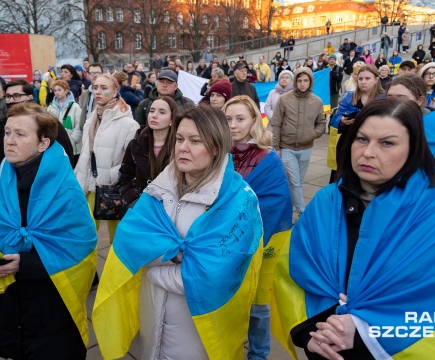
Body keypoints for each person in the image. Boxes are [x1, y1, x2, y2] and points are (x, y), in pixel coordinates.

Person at [271, 97, 435, 360]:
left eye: (387, 143)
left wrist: (367, 332)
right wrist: (311, 334)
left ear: (414, 148)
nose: (368, 152)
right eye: (362, 139)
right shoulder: (326, 202)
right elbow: (293, 274)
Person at [92, 105, 264, 360]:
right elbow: (129, 243)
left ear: (216, 147)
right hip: (152, 316)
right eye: (180, 139)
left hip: (198, 328)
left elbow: (218, 276)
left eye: (195, 141)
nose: (183, 147)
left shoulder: (239, 201)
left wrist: (152, 270)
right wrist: (178, 257)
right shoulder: (158, 190)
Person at [0, 102, 97, 360]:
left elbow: (81, 248)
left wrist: (24, 264)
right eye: (7, 133)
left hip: (52, 300)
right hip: (12, 297)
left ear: (43, 144)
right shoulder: (3, 178)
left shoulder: (65, 191)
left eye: (20, 135)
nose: (9, 141)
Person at [223, 96, 293, 360]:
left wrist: (238, 221)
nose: (233, 125)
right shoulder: (218, 153)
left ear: (254, 120)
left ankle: (259, 354)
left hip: (257, 241)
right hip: (223, 243)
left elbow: (276, 204)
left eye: (240, 118)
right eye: (228, 119)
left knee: (258, 306)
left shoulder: (268, 158)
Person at [74, 75, 139, 242]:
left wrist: (111, 175)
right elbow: (85, 156)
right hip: (89, 187)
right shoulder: (91, 120)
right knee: (85, 238)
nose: (98, 91)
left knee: (117, 240)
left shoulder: (128, 124)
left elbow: (132, 162)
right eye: (95, 87)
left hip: (113, 189)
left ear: (115, 91)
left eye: (104, 88)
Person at [0, 79, 74, 183]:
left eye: (16, 96)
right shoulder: (0, 125)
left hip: (43, 184)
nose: (11, 100)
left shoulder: (47, 122)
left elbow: (66, 153)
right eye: (8, 96)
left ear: (30, 97)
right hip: (6, 185)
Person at [386, 74, 435, 188]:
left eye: (401, 98)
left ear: (420, 100)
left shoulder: (423, 129)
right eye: (389, 97)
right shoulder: (432, 118)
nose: (392, 103)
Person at [271, 68, 326, 216]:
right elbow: (276, 124)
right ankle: (304, 214)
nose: (302, 84)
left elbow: (321, 123)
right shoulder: (284, 99)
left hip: (306, 148)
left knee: (298, 184)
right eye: (299, 80)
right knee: (295, 183)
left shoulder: (317, 101)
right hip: (287, 147)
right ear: (295, 81)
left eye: (305, 80)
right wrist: (276, 147)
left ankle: (285, 211)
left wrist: (313, 134)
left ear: (310, 82)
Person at [118, 96, 176, 208]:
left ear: (172, 120)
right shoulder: (135, 144)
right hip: (140, 207)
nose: (154, 115)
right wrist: (133, 199)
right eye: (152, 111)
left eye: (162, 112)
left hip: (169, 211)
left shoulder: (179, 147)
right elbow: (124, 177)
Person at [329, 65, 384, 181]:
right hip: (347, 142)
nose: (363, 82)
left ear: (376, 79)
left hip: (372, 143)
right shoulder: (349, 96)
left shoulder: (384, 98)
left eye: (367, 78)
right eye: (360, 79)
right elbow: (337, 116)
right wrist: (342, 121)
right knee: (341, 175)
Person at [47, 78, 83, 164]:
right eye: (55, 90)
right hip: (56, 144)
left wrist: (72, 139)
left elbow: (79, 124)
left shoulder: (75, 107)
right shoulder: (51, 107)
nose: (57, 92)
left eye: (59, 90)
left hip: (72, 145)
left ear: (66, 91)